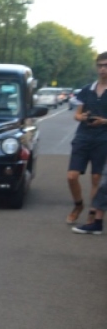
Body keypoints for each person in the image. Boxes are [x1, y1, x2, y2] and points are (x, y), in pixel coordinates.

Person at [67, 51, 107, 226]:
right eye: (100, 66)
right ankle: (78, 205)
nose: (103, 69)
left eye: (106, 66)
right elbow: (77, 114)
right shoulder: (87, 90)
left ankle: (92, 213)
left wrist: (104, 121)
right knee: (71, 176)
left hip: (103, 138)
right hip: (83, 137)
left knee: (96, 178)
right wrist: (82, 117)